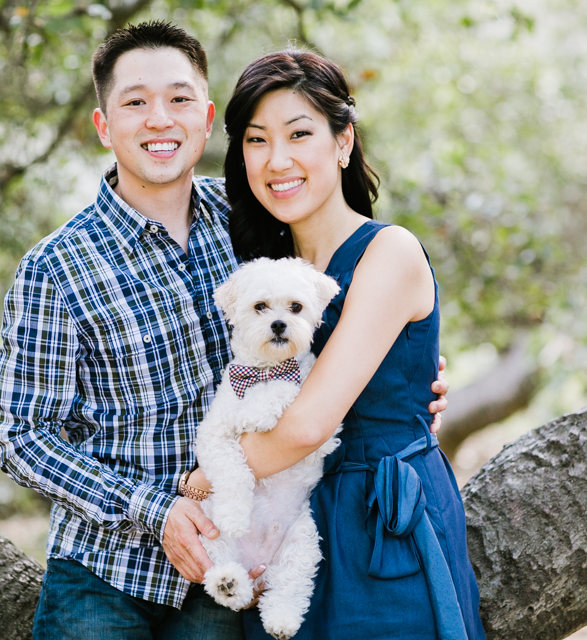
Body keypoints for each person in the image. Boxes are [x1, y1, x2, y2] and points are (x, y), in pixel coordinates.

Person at [0, 21, 450, 640]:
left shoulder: (248, 226)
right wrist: (156, 510)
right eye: (135, 102)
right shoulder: (57, 267)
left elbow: (335, 341)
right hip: (108, 570)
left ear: (205, 121)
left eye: (179, 99)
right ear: (104, 126)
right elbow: (23, 436)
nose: (160, 119)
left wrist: (406, 390)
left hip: (238, 561)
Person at [185, 51, 486, 639]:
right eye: (256, 140)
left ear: (343, 141)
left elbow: (305, 426)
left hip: (377, 517)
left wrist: (206, 478)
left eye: (300, 134)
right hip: (293, 514)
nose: (278, 160)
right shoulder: (271, 273)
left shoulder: (388, 252)